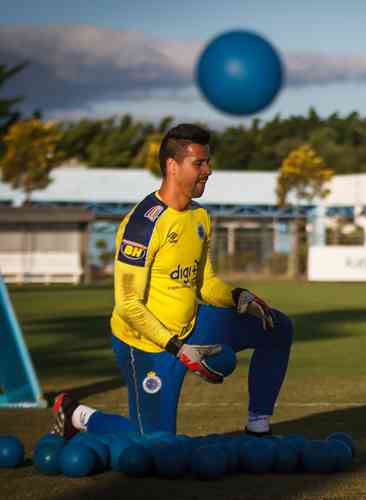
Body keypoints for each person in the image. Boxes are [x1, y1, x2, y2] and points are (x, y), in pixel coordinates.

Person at [51, 123, 293, 439]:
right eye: (199, 163)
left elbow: (204, 282)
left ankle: (257, 425)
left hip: (192, 325)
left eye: (208, 162)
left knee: (276, 326)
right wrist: (179, 349)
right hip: (147, 343)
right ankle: (78, 415)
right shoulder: (143, 225)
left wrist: (237, 297)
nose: (208, 170)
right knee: (154, 444)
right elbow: (128, 306)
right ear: (172, 166)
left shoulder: (200, 217)